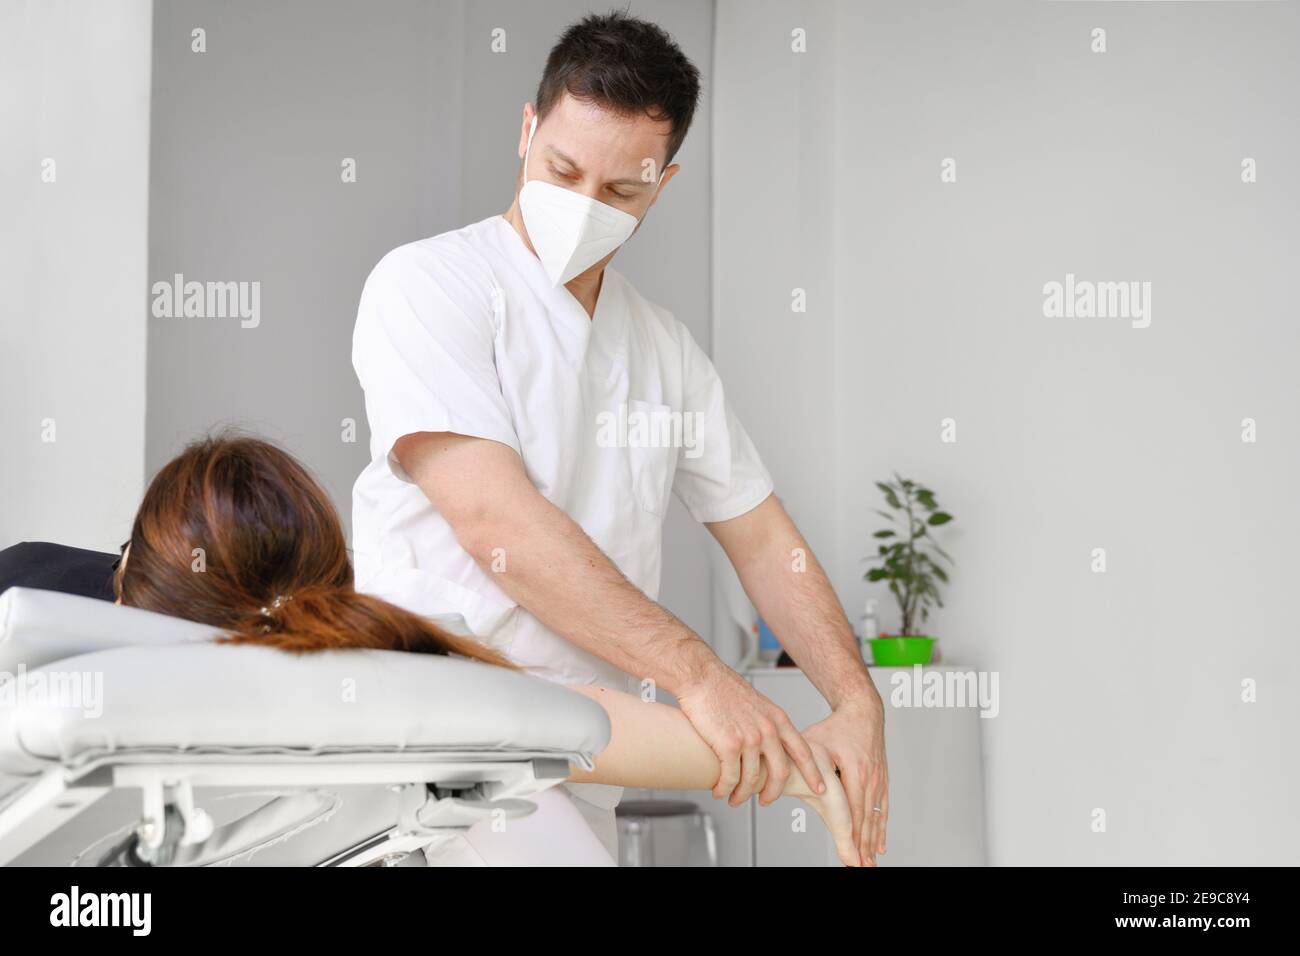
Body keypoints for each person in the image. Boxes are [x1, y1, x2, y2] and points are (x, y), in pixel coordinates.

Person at [350, 11, 888, 863]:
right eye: (562, 170)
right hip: (443, 754)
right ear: (528, 130)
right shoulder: (432, 285)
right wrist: (703, 679)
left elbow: (762, 539)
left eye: (621, 192)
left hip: (592, 751)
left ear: (662, 184)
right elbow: (498, 528)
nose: (583, 206)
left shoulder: (662, 350)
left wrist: (858, 704)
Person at [65, 432, 855, 865]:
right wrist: (806, 774)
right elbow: (576, 723)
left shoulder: (43, 620)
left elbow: (572, 725)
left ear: (129, 572)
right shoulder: (396, 681)